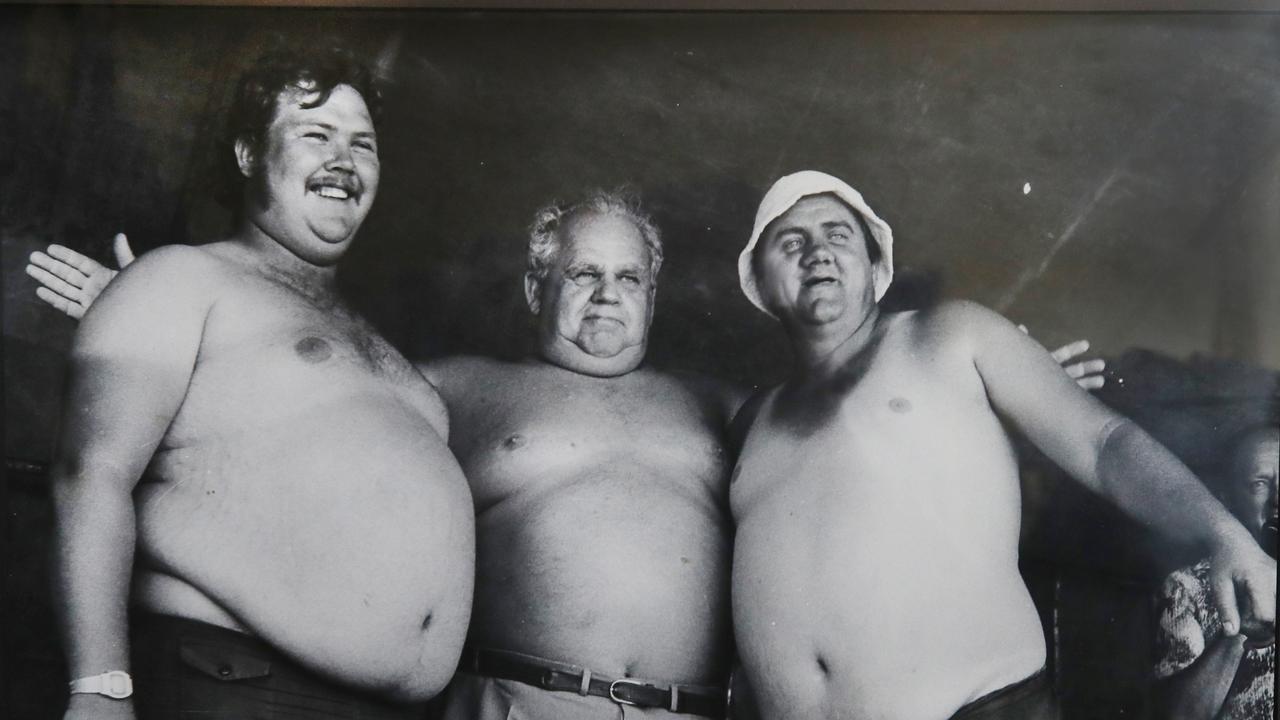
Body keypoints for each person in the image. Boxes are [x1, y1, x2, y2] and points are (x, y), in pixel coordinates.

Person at [31, 189, 1102, 720]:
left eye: (625, 277)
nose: (603, 298)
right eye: (579, 277)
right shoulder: (442, 384)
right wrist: (154, 311)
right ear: (537, 289)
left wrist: (982, 392)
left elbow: (856, 426)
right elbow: (308, 394)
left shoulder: (724, 405)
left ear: (654, 291)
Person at [728, 170, 1277, 720]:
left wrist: (1224, 532)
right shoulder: (753, 418)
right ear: (760, 279)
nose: (817, 252)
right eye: (792, 241)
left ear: (875, 269)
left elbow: (1104, 443)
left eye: (838, 234)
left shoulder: (949, 333)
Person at [44, 47, 474, 720]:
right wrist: (99, 690)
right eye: (316, 134)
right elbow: (89, 474)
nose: (345, 158)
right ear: (248, 154)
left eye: (363, 143)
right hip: (237, 684)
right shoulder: (183, 278)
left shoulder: (376, 343)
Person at [1154, 424, 1278, 720]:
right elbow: (1181, 717)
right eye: (1259, 483)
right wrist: (1242, 635)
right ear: (1226, 499)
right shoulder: (1187, 587)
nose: (1277, 500)